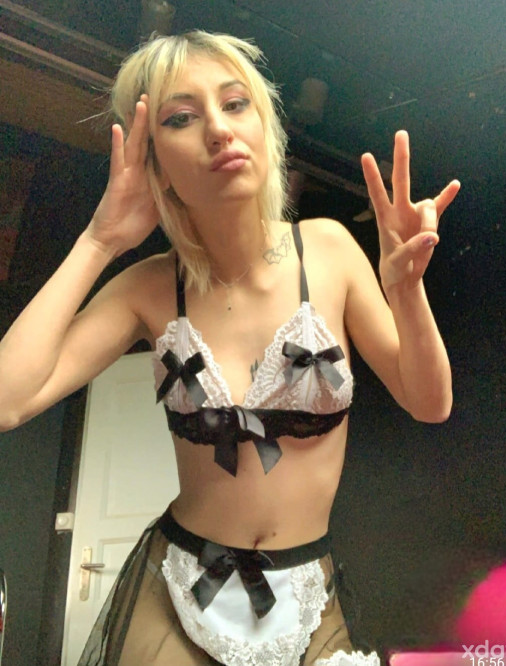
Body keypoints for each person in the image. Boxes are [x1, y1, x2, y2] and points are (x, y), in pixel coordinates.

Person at [0, 30, 460, 666]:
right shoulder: (149, 288)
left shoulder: (328, 251)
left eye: (236, 103)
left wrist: (406, 293)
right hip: (177, 584)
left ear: (264, 126)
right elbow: (8, 401)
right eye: (181, 118)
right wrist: (99, 240)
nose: (218, 129)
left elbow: (430, 403)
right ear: (153, 161)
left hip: (308, 589)